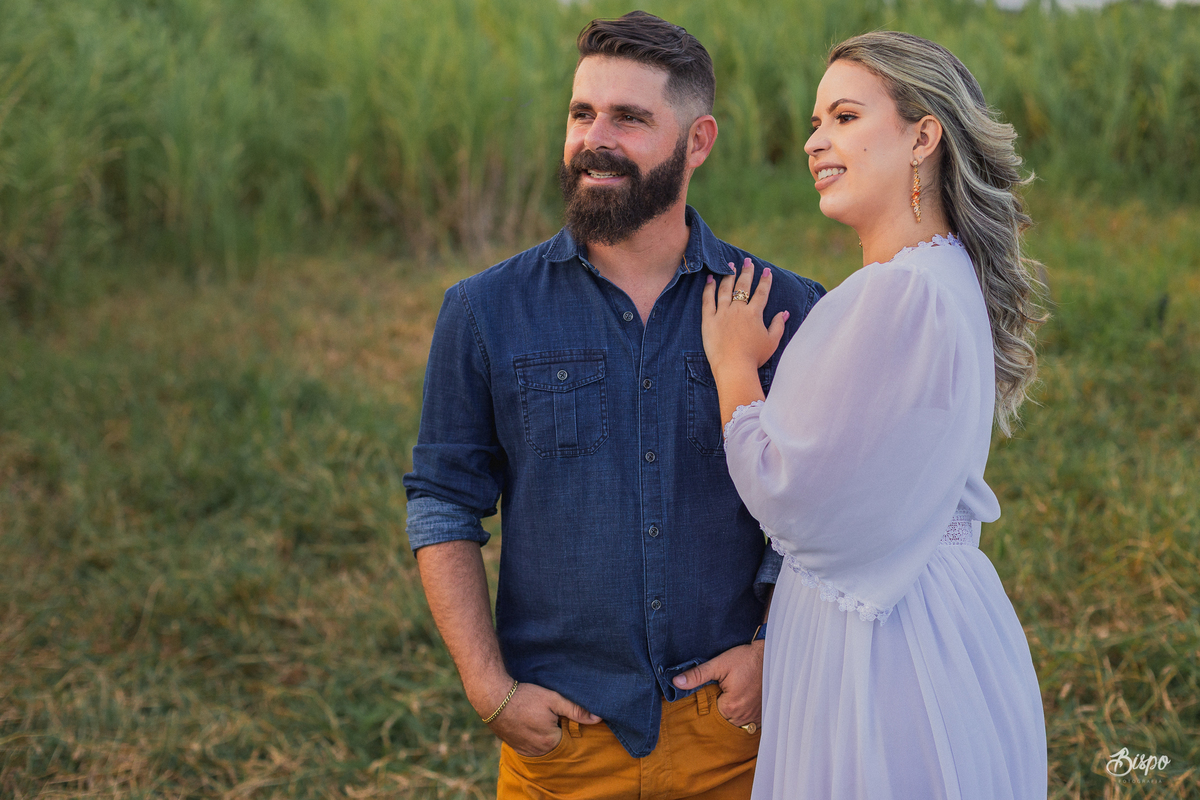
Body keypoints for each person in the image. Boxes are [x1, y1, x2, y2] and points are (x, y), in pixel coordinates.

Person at [403, 11, 825, 799]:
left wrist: (774, 646)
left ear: (698, 142)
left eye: (630, 118)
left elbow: (816, 504)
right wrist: (488, 686)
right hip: (564, 740)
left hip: (736, 729)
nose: (596, 138)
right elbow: (441, 504)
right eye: (581, 113)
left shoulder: (781, 307)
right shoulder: (484, 311)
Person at [698, 32, 1048, 799]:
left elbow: (795, 495)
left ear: (924, 136)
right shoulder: (941, 276)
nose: (815, 141)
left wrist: (732, 367)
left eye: (847, 116)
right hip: (929, 608)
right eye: (816, 122)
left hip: (886, 641)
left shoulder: (902, 293)